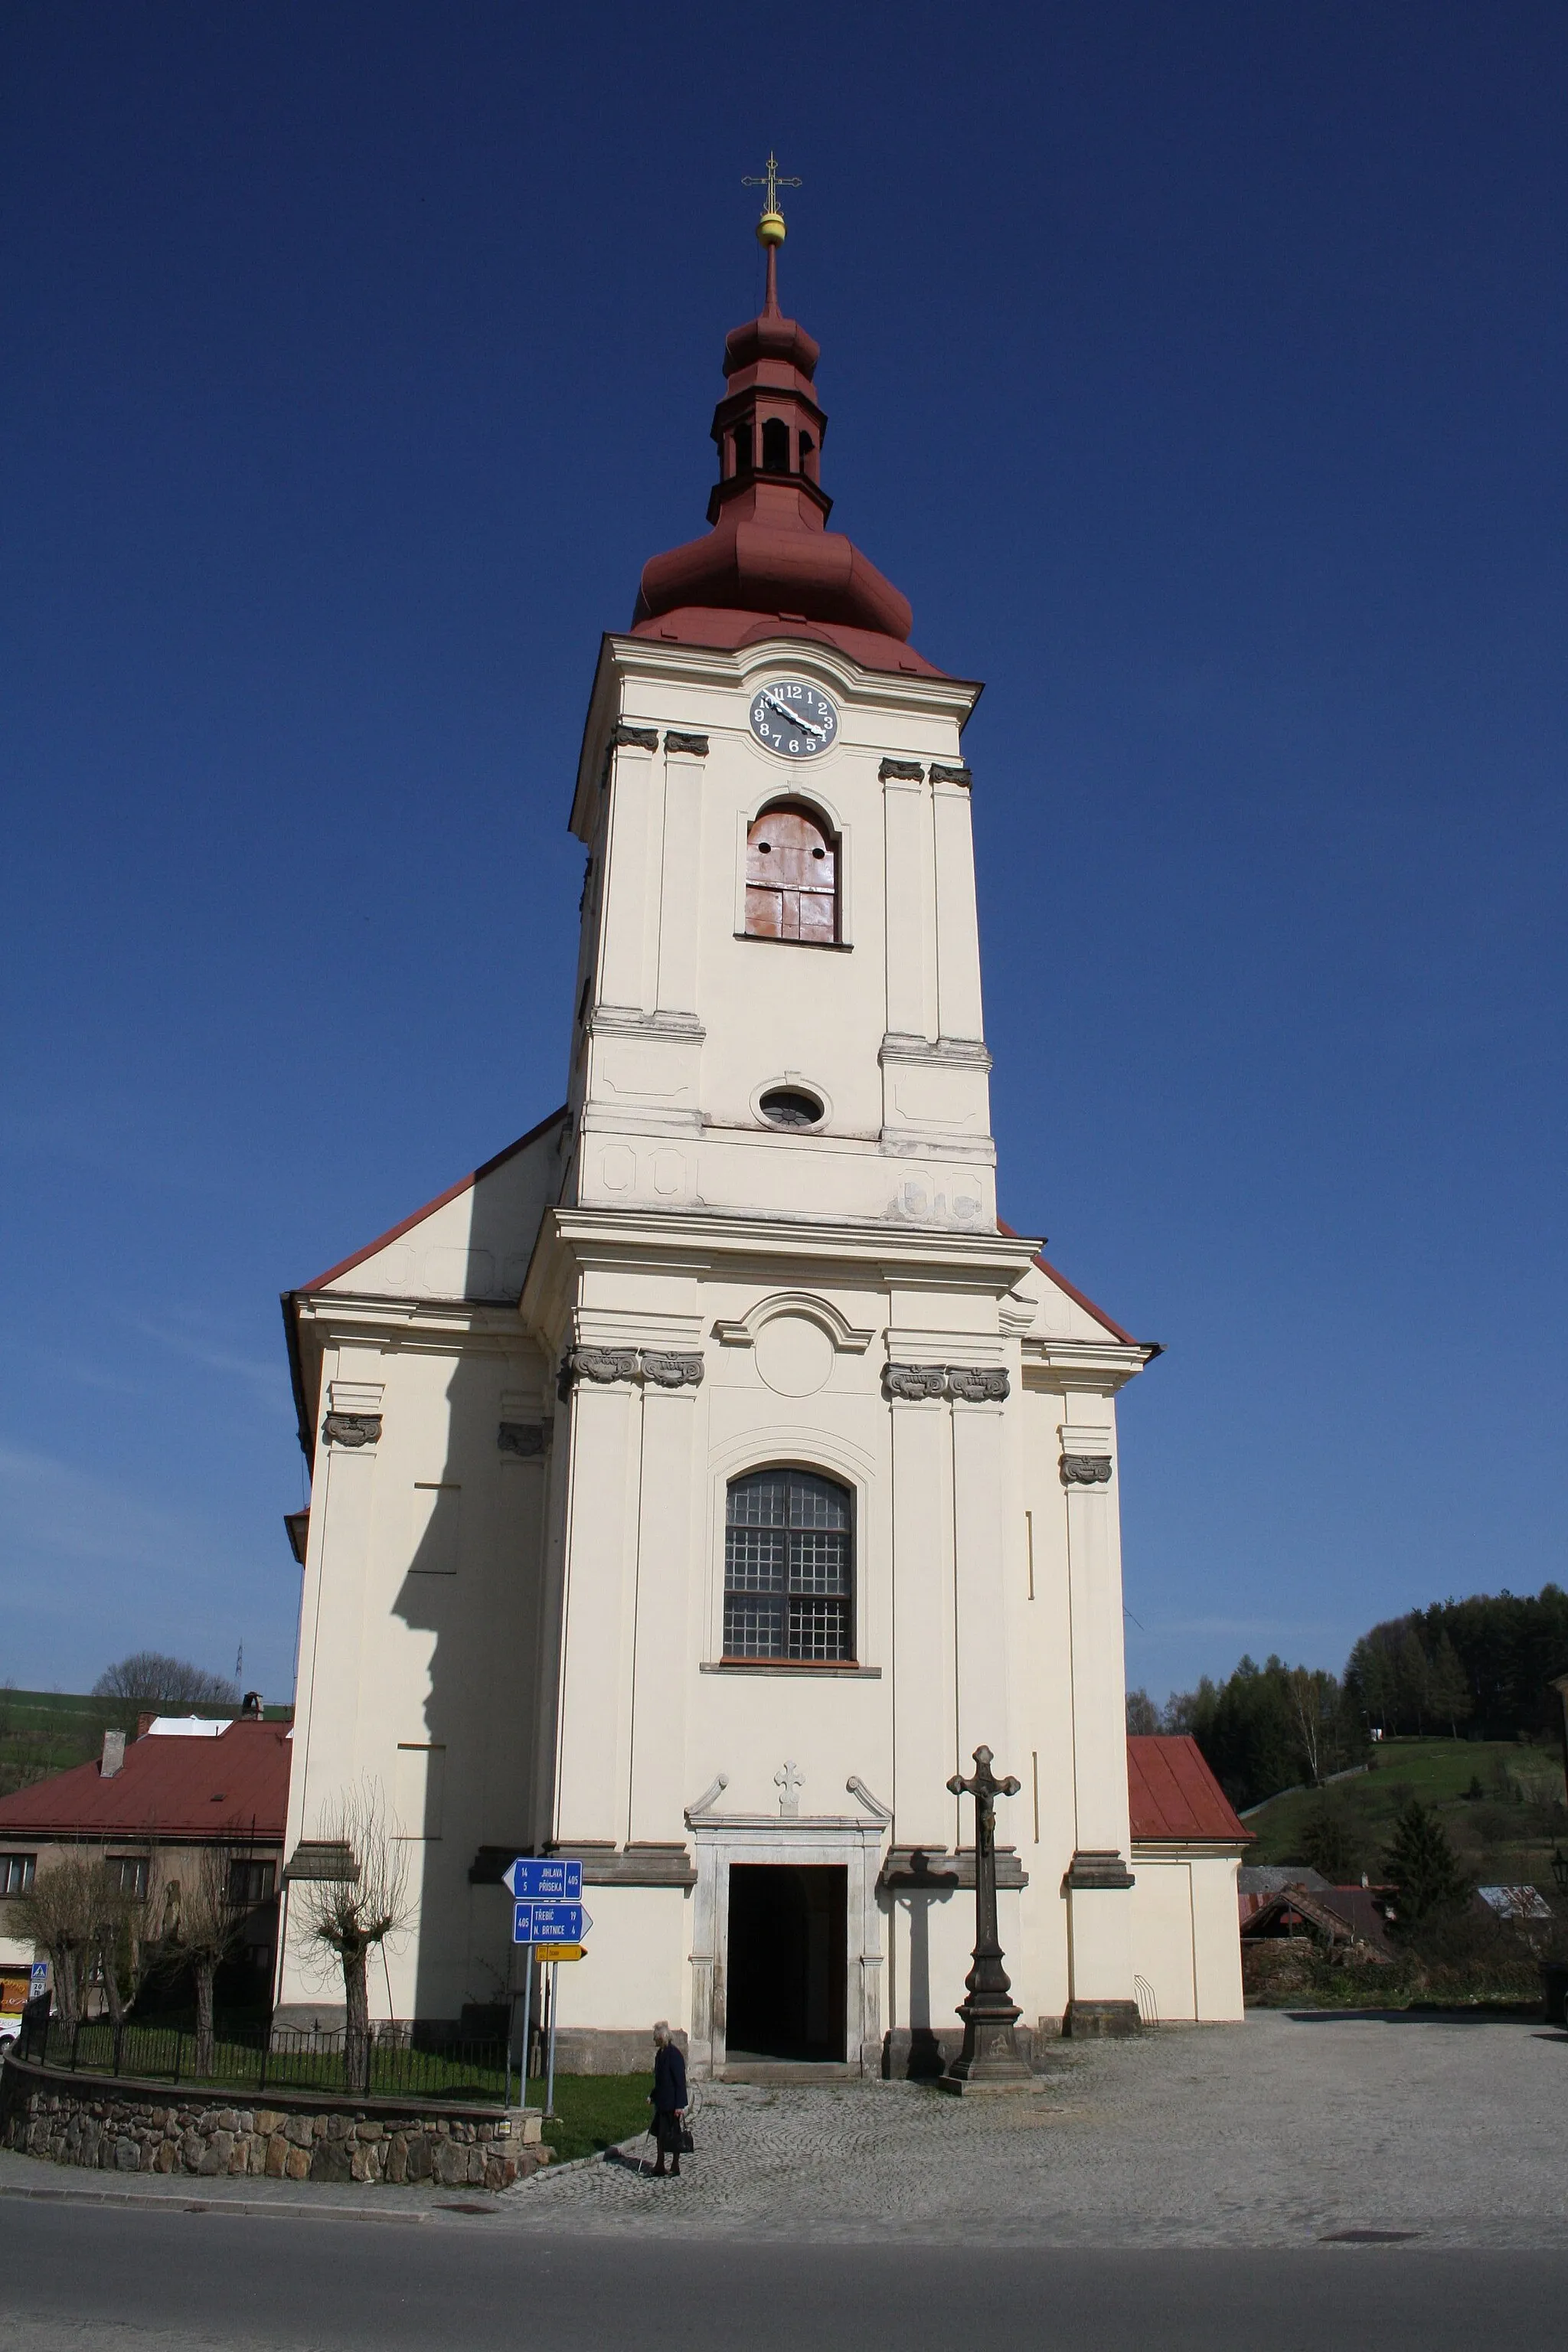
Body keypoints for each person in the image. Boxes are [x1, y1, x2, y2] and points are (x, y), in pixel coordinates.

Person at [649, 2020, 687, 2178]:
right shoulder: (660, 2054)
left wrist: (680, 2105)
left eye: (655, 2037)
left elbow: (680, 2081)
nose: (653, 2040)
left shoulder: (674, 2055)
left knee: (674, 2136)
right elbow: (660, 2080)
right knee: (660, 2135)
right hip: (662, 2103)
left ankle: (675, 2165)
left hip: (672, 2104)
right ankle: (659, 2164)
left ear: (662, 2038)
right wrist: (653, 2096)